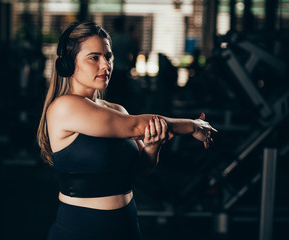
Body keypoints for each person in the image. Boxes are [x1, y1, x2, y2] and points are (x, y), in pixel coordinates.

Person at [37, 21, 217, 240]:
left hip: (127, 227)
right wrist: (193, 125)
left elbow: (139, 170)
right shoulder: (65, 107)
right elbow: (135, 126)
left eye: (108, 56)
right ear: (68, 63)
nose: (106, 65)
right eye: (94, 57)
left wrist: (152, 147)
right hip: (81, 230)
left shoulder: (116, 110)